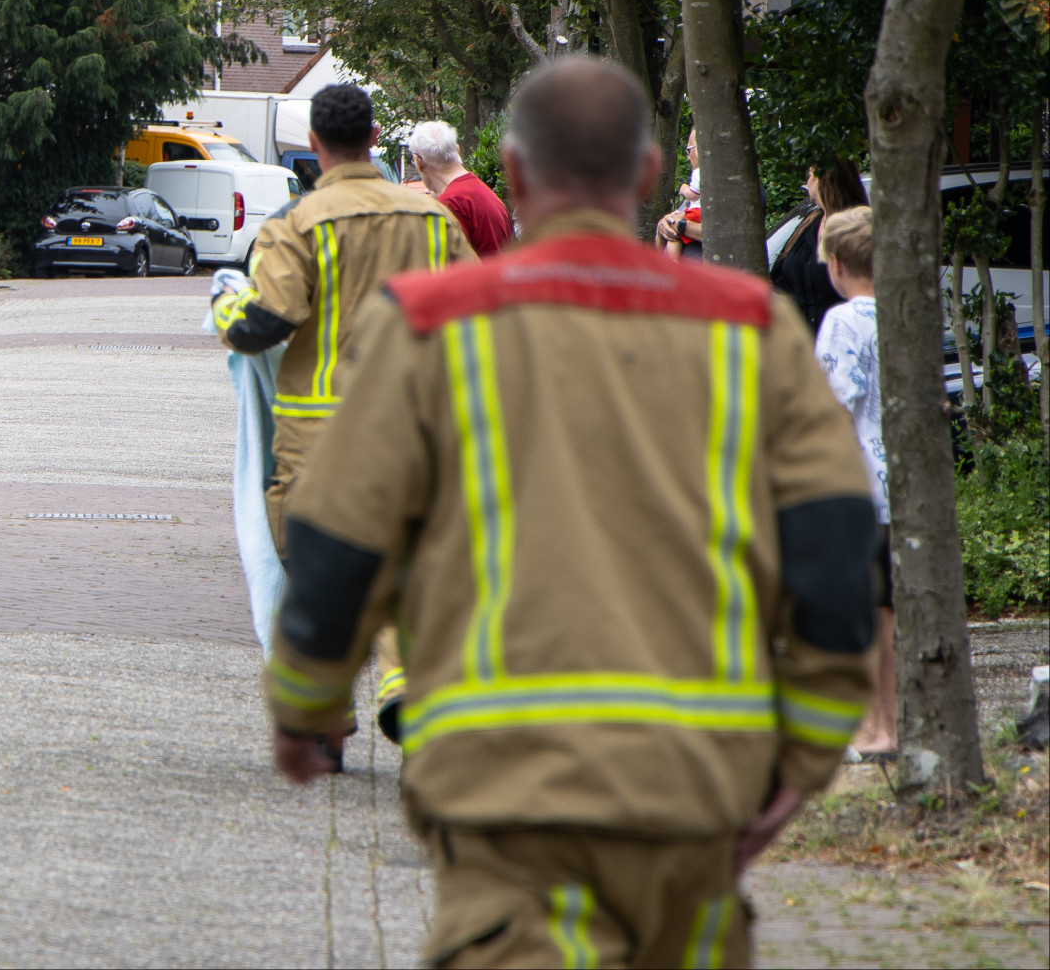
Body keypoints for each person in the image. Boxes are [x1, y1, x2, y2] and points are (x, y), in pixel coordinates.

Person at [262, 56, 878, 968]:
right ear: (647, 175)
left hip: (507, 784)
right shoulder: (751, 330)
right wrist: (807, 755)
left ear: (510, 174)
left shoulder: (428, 325)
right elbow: (837, 552)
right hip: (693, 784)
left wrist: (307, 699)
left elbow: (339, 538)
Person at [213, 84, 476, 762]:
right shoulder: (432, 223)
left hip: (315, 437)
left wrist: (223, 306)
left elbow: (260, 324)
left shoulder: (297, 226)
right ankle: (402, 679)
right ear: (374, 136)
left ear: (313, 145)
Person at [814, 206, 896, 762]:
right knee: (886, 610)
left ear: (838, 263)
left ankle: (869, 728)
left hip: (857, 484)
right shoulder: (901, 314)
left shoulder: (842, 323)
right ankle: (887, 722)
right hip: (900, 484)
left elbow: (834, 405)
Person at [772, 162, 869, 335]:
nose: (807, 181)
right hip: (802, 336)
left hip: (841, 335)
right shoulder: (808, 223)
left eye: (811, 175)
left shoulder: (855, 227)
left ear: (825, 181)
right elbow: (781, 277)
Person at [409, 120, 514, 256]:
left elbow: (447, 266)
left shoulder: (450, 205)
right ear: (457, 150)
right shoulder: (483, 193)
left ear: (419, 161)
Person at [656, 129, 704, 259]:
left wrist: (681, 226)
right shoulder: (698, 188)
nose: (688, 156)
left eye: (690, 149)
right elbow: (676, 219)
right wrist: (663, 225)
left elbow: (726, 232)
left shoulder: (732, 190)